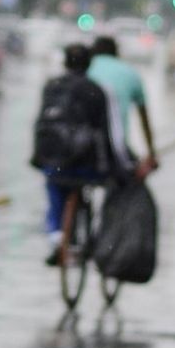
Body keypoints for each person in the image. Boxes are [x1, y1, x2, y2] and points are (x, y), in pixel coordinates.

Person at [33, 43, 126, 266]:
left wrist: (37, 158)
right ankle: (94, 237)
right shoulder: (98, 90)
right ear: (89, 64)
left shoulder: (51, 87)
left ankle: (56, 236)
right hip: (89, 167)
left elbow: (40, 125)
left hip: (55, 164)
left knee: (54, 190)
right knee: (107, 190)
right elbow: (111, 133)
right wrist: (120, 166)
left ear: (64, 62)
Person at [89, 36, 158, 177]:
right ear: (116, 53)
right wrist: (151, 153)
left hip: (76, 147)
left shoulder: (85, 70)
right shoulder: (130, 73)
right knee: (132, 180)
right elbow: (144, 119)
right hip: (115, 148)